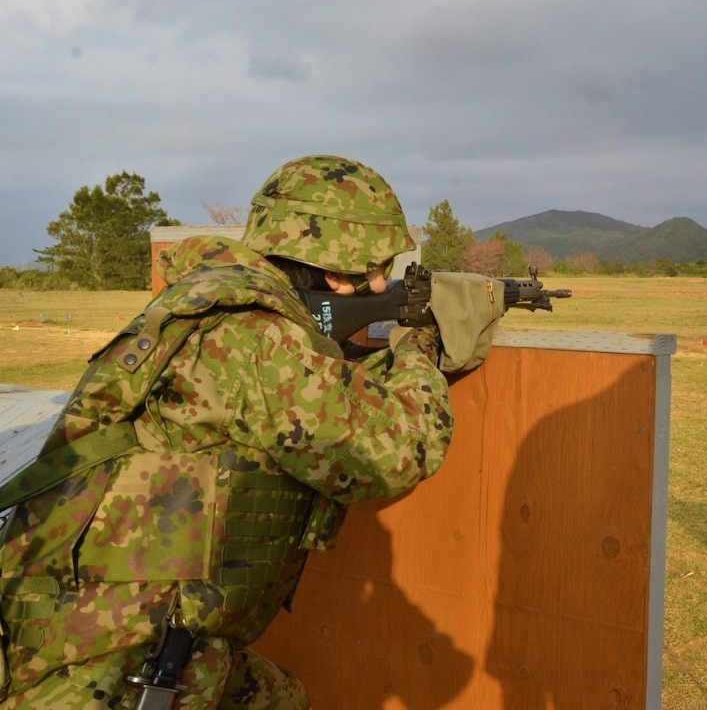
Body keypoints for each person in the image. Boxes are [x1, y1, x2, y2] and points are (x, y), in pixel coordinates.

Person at [0, 155, 453, 709]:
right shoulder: (256, 336)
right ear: (335, 267)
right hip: (118, 662)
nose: (382, 282)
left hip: (145, 633)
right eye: (375, 267)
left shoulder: (221, 303)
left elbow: (296, 401)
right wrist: (418, 350)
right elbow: (398, 452)